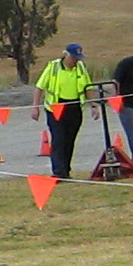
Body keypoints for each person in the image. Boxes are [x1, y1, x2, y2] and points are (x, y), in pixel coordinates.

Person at [33, 43, 93, 178]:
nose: (76, 60)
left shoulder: (81, 67)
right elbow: (39, 87)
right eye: (73, 57)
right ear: (66, 55)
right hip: (56, 108)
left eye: (78, 58)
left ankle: (66, 170)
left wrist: (93, 105)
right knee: (59, 139)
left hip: (75, 107)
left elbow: (88, 87)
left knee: (69, 140)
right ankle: (58, 172)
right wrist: (35, 107)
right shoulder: (53, 67)